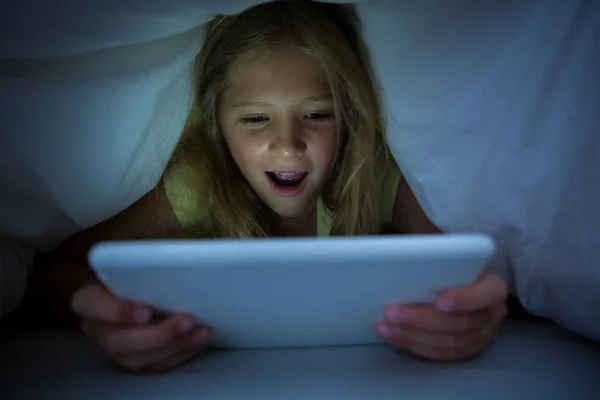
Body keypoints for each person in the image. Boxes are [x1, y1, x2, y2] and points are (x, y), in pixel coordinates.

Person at [27, 1, 507, 373]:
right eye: (256, 119)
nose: (288, 145)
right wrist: (102, 316)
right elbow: (58, 269)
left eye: (316, 115)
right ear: (218, 126)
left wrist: (474, 312)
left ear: (349, 117)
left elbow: (460, 273)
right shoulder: (201, 184)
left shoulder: (372, 174)